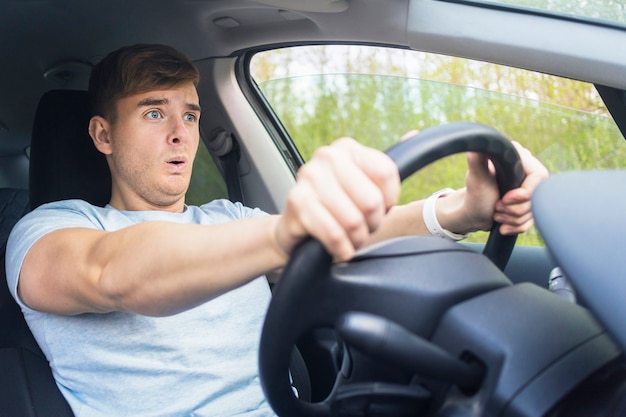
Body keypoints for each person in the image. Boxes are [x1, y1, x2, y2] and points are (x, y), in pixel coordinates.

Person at [6, 44, 548, 416]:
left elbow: (340, 239)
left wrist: (457, 212)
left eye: (190, 116)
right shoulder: (52, 228)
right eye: (153, 113)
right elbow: (114, 272)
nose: (180, 135)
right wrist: (283, 233)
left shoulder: (228, 221)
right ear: (102, 135)